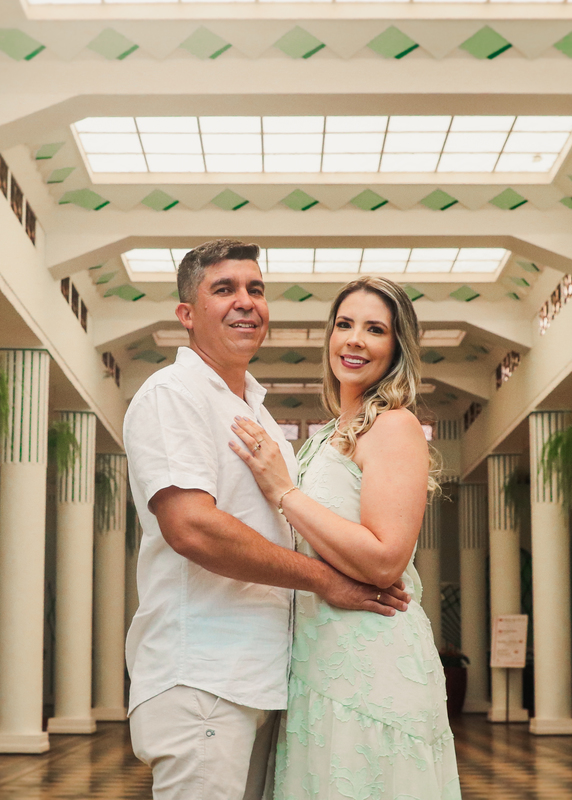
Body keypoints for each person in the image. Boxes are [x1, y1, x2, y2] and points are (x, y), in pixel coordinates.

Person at [123, 240, 410, 800]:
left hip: (262, 680)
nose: (246, 301)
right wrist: (326, 580)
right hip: (202, 676)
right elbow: (191, 528)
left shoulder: (255, 410)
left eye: (255, 289)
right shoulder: (173, 394)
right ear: (187, 314)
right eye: (224, 289)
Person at [228, 276, 462, 799]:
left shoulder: (395, 426)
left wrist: (283, 492)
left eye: (374, 329)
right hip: (316, 665)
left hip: (371, 664)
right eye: (344, 324)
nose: (354, 339)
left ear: (397, 347)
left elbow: (385, 561)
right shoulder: (324, 438)